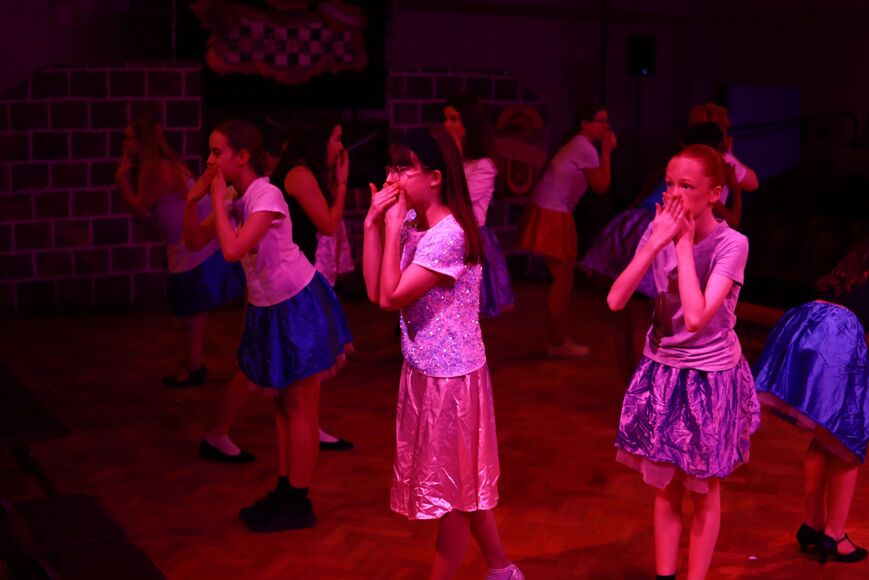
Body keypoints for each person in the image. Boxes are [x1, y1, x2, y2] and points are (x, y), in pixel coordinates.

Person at [363, 126, 523, 580]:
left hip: (451, 380)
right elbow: (376, 292)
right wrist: (373, 225)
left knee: (452, 496)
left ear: (434, 177)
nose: (391, 178)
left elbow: (391, 296)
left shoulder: (449, 235)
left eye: (403, 168)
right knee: (461, 484)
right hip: (425, 370)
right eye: (390, 167)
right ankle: (502, 569)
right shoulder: (416, 225)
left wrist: (391, 226)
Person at [184, 120, 352, 532]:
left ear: (242, 157)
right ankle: (285, 490)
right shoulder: (237, 196)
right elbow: (193, 242)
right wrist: (192, 202)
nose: (209, 160)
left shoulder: (267, 194)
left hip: (297, 303)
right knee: (281, 405)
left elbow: (232, 250)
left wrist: (218, 200)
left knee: (301, 407)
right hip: (268, 307)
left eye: (217, 152)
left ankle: (299, 501)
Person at [607, 144, 759, 579]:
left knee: (704, 490)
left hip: (709, 376)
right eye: (670, 183)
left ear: (714, 193)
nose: (674, 194)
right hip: (662, 369)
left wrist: (685, 244)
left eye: (687, 186)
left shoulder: (732, 244)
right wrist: (655, 242)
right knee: (665, 488)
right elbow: (616, 300)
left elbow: (695, 317)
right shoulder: (658, 231)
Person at [753, 238, 869, 564]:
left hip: (805, 324)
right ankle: (835, 534)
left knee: (824, 436)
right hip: (838, 336)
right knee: (849, 443)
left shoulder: (853, 267)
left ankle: (812, 524)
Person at [115, 116, 244, 387]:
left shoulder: (153, 169)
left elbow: (140, 207)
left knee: (190, 306)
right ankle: (192, 362)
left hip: (193, 241)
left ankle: (194, 365)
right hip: (189, 239)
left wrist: (122, 179)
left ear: (142, 142)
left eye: (129, 138)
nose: (125, 144)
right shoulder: (165, 163)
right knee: (192, 307)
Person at [518, 103, 616, 356]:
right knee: (562, 279)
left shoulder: (579, 144)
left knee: (563, 278)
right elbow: (602, 186)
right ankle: (557, 342)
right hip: (553, 213)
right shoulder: (585, 148)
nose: (605, 126)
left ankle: (557, 339)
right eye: (600, 120)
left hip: (552, 210)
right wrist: (607, 152)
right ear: (585, 123)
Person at [444, 93, 514, 317]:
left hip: (470, 239)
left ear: (469, 123)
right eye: (446, 118)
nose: (447, 125)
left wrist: (454, 155)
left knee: (468, 310)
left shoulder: (483, 164)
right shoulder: (456, 160)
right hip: (448, 236)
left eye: (454, 119)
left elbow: (459, 199)